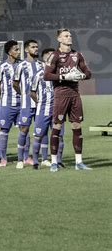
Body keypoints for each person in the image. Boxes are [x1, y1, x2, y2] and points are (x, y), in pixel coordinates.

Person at [44, 28, 92, 172]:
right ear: (59, 39)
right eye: (66, 36)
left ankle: (79, 162)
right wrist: (64, 77)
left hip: (75, 95)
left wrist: (81, 76)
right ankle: (53, 162)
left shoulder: (77, 55)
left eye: (70, 35)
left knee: (77, 126)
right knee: (57, 127)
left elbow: (88, 73)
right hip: (61, 94)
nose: (69, 37)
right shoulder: (54, 56)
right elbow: (46, 75)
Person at [30, 48, 64, 169]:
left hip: (58, 110)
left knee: (59, 136)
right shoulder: (39, 75)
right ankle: (35, 161)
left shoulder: (60, 74)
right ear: (44, 58)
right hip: (42, 110)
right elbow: (32, 92)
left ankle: (58, 161)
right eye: (49, 56)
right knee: (38, 136)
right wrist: (40, 102)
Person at [13, 40, 42, 168]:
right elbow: (15, 83)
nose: (36, 49)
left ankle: (37, 159)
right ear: (26, 50)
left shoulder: (42, 65)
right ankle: (20, 159)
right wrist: (24, 94)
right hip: (26, 103)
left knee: (40, 131)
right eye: (33, 47)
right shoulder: (21, 65)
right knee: (24, 129)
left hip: (41, 103)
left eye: (37, 47)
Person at [0, 40, 21, 167]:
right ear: (9, 52)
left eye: (19, 49)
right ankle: (3, 158)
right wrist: (3, 98)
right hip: (6, 103)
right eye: (16, 49)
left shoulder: (22, 65)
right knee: (3, 130)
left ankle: (24, 157)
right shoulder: (2, 67)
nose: (18, 51)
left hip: (22, 103)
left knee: (24, 129)